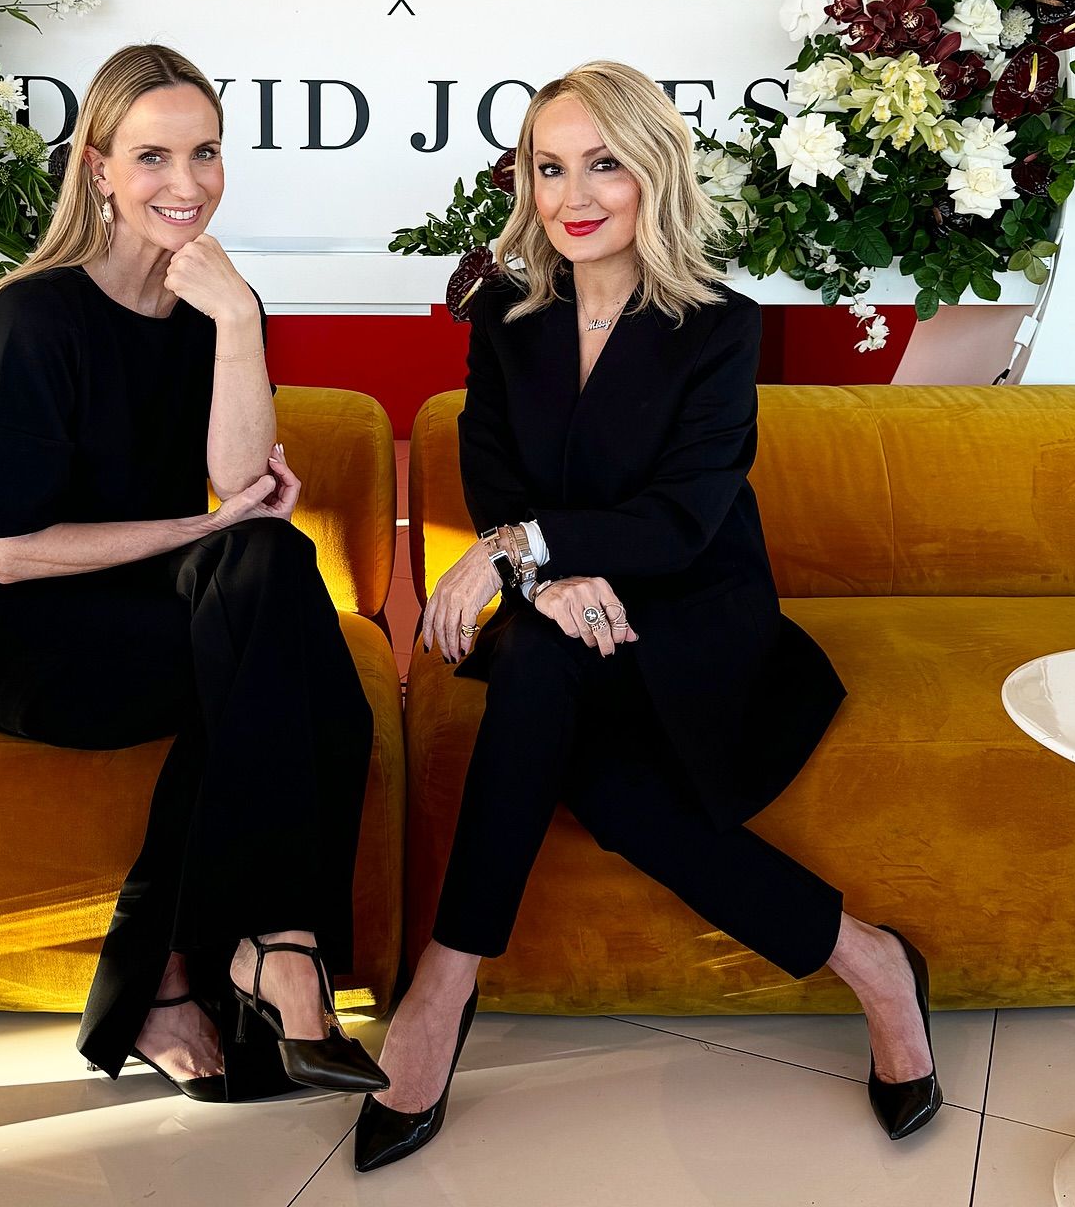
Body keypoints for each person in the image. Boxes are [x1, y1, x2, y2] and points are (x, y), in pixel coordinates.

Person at [353, 61, 940, 1171]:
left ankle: (441, 989)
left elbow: (679, 520)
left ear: (654, 172)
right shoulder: (505, 317)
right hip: (562, 621)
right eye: (548, 168)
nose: (573, 195)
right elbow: (494, 481)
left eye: (603, 164)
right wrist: (542, 577)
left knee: (554, 701)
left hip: (692, 622)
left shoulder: (719, 326)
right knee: (551, 680)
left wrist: (524, 553)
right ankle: (866, 960)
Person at [0, 43, 386, 1103]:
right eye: (154, 157)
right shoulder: (34, 315)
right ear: (98, 167)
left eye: (205, 153)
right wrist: (197, 529)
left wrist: (238, 322)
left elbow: (241, 487)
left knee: (270, 563)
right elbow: (11, 551)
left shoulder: (215, 300)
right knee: (281, 653)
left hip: (132, 601)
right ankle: (230, 965)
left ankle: (268, 953)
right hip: (3, 624)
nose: (188, 182)